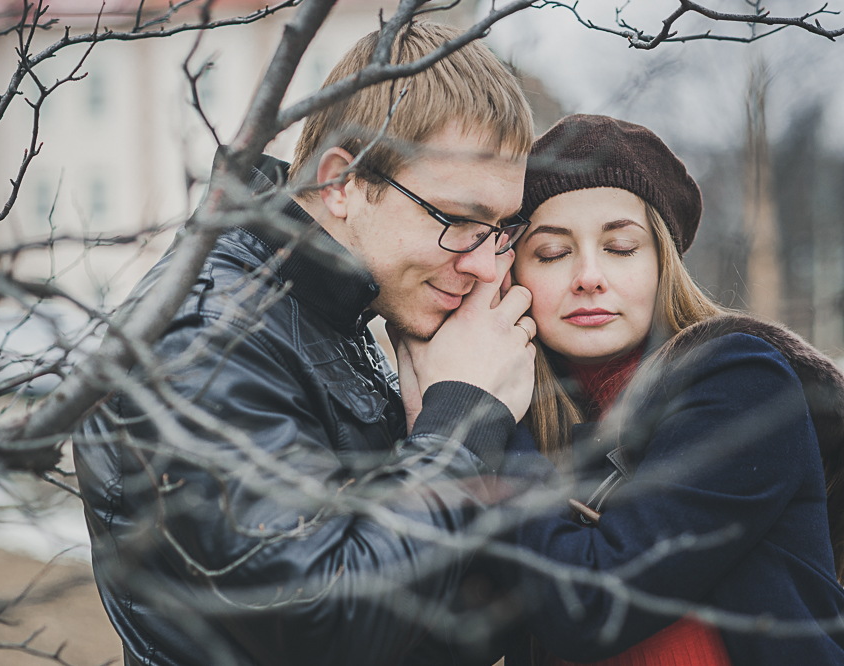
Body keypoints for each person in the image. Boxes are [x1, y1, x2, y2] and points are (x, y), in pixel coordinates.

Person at [73, 22, 539, 666]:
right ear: (342, 182)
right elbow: (323, 622)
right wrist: (461, 422)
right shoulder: (205, 337)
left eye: (502, 227)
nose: (487, 264)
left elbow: (434, 633)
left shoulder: (326, 315)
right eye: (458, 220)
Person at [415, 114, 844, 665]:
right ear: (511, 276)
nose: (588, 276)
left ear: (662, 264)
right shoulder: (530, 426)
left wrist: (477, 415)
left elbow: (592, 607)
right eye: (552, 253)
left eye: (620, 247)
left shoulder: (742, 382)